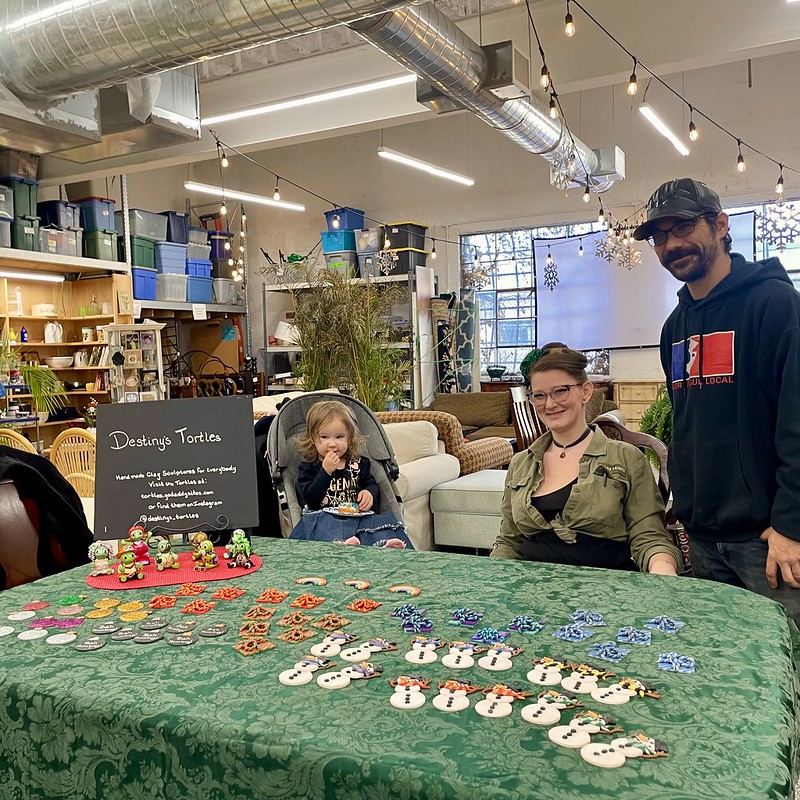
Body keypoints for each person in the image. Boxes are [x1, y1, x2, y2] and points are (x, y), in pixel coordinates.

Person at [633, 177, 800, 620]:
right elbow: (688, 423)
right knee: (720, 655)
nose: (671, 244)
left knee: (783, 656)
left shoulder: (776, 304)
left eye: (683, 227)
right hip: (702, 537)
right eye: (659, 236)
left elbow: (797, 424)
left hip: (769, 542)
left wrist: (791, 525)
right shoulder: (674, 327)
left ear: (721, 225)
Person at [491, 343, 680, 574]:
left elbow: (650, 537)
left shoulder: (627, 458)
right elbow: (508, 541)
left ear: (586, 391)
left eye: (560, 391)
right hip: (529, 586)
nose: (549, 404)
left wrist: (663, 570)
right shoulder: (521, 463)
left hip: (606, 588)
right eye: (539, 395)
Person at [289, 400, 412, 548]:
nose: (332, 444)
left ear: (349, 438)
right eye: (324, 437)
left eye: (339, 437)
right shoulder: (309, 468)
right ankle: (342, 544)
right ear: (313, 439)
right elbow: (311, 499)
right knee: (323, 525)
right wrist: (325, 472)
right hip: (326, 518)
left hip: (357, 517)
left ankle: (384, 544)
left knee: (376, 522)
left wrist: (369, 492)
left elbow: (371, 483)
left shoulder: (359, 464)